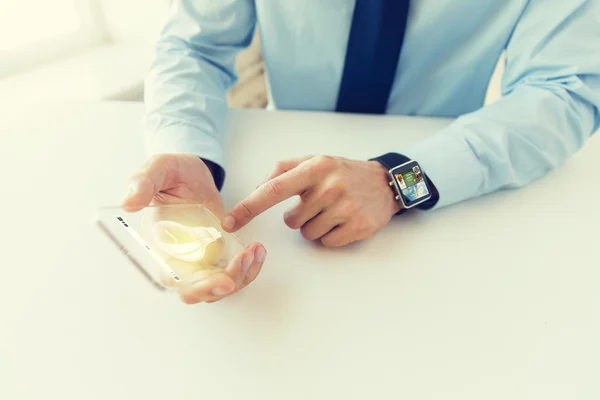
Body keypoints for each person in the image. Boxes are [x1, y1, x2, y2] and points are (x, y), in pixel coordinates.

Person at [121, 0, 600, 304]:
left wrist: (397, 181)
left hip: (447, 210)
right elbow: (195, 45)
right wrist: (188, 151)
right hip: (277, 175)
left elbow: (563, 90)